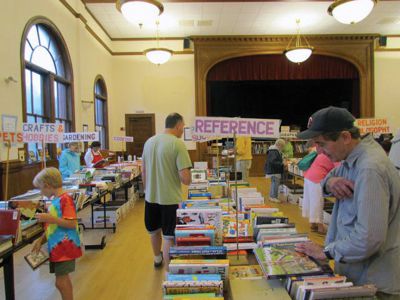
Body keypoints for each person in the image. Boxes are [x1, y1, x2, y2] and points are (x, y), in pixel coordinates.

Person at [295, 106, 400, 298]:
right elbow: (328, 178)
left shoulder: (369, 168)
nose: (318, 151)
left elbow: (369, 238)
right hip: (358, 275)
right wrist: (331, 182)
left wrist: (326, 252)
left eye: (322, 144)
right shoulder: (350, 156)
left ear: (345, 137)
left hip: (373, 284)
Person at [142, 113, 192, 268]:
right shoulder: (177, 144)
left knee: (154, 230)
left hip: (150, 197)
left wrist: (147, 190)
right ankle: (169, 271)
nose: (183, 130)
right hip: (170, 199)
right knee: (169, 236)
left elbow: (143, 171)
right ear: (177, 126)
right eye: (182, 127)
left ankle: (157, 259)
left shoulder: (149, 142)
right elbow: (186, 179)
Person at [31, 167, 82, 300]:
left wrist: (50, 218)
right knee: (61, 281)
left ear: (47, 185)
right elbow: (52, 226)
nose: (41, 192)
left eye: (41, 189)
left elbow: (71, 223)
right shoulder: (56, 200)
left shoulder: (65, 199)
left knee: (61, 282)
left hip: (65, 247)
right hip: (58, 247)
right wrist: (40, 240)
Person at [301, 140, 337, 234]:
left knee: (311, 201)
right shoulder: (334, 155)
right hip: (317, 179)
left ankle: (313, 224)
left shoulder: (323, 153)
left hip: (309, 176)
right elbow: (339, 168)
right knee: (317, 202)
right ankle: (320, 227)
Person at [264, 139, 286, 203]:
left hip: (273, 170)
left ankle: (271, 196)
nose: (282, 148)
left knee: (273, 183)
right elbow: (273, 161)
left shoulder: (273, 150)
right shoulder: (274, 151)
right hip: (274, 170)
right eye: (282, 146)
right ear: (279, 145)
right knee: (275, 183)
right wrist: (282, 163)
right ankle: (274, 197)